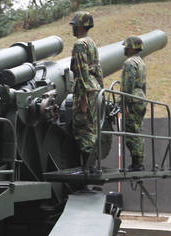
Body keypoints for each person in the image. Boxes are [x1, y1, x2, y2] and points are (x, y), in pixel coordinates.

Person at [69, 11, 104, 173]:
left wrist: (82, 98)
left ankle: (88, 167)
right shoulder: (92, 43)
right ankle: (92, 165)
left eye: (74, 25)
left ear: (80, 26)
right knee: (92, 127)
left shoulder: (79, 45)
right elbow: (97, 69)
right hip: (94, 87)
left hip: (85, 89)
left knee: (82, 128)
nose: (73, 28)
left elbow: (82, 72)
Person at [121, 36, 147, 171]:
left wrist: (124, 102)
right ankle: (138, 163)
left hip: (132, 100)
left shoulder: (130, 63)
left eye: (126, 46)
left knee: (131, 133)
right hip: (141, 100)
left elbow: (128, 84)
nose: (124, 48)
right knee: (138, 131)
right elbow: (144, 85)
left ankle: (136, 164)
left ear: (131, 48)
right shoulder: (141, 62)